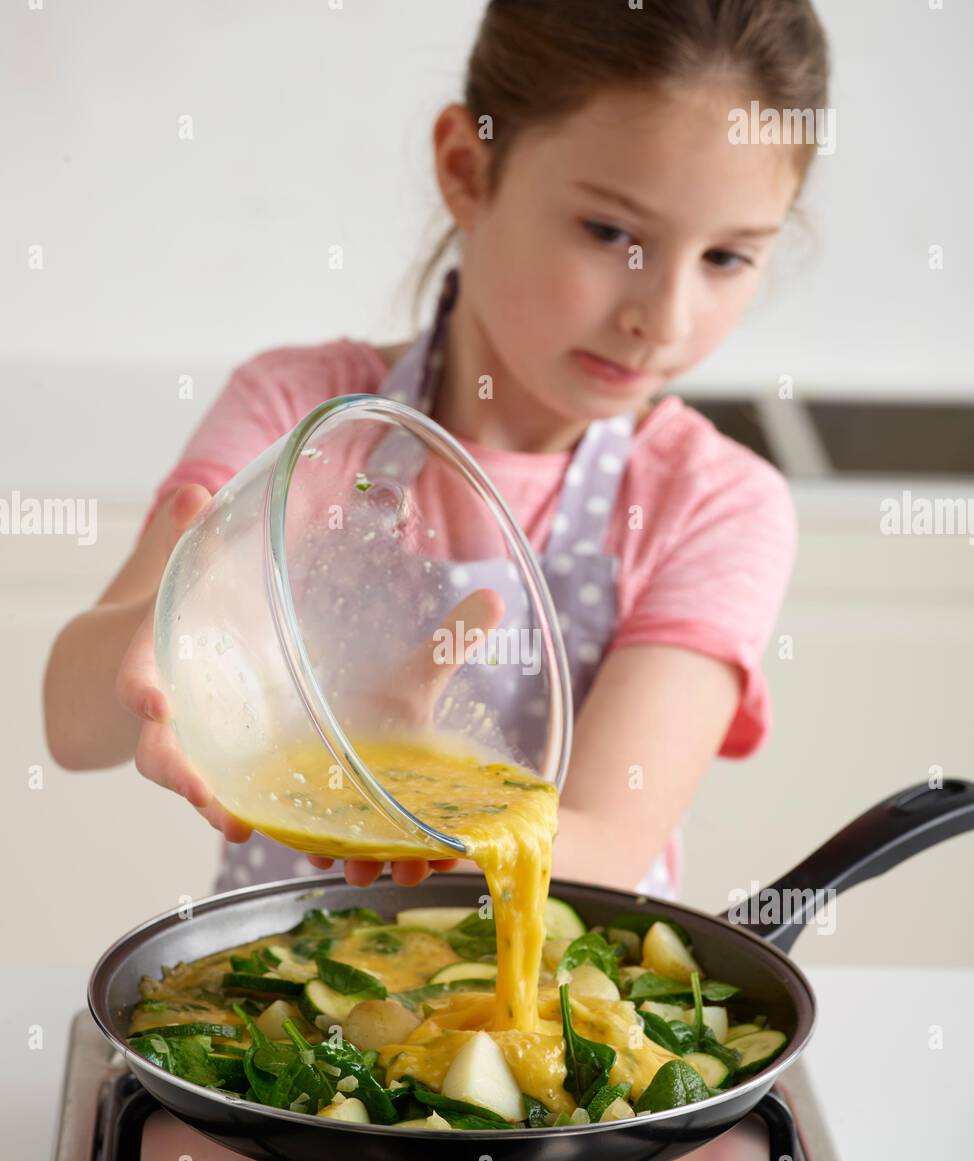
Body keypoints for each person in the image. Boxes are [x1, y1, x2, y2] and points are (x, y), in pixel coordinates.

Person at [43, 0, 828, 899]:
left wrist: (406, 790)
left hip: (565, 1016)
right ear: (466, 168)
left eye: (727, 257)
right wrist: (171, 641)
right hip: (273, 1001)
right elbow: (70, 726)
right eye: (612, 234)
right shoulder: (298, 413)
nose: (665, 317)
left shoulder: (713, 503)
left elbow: (610, 844)